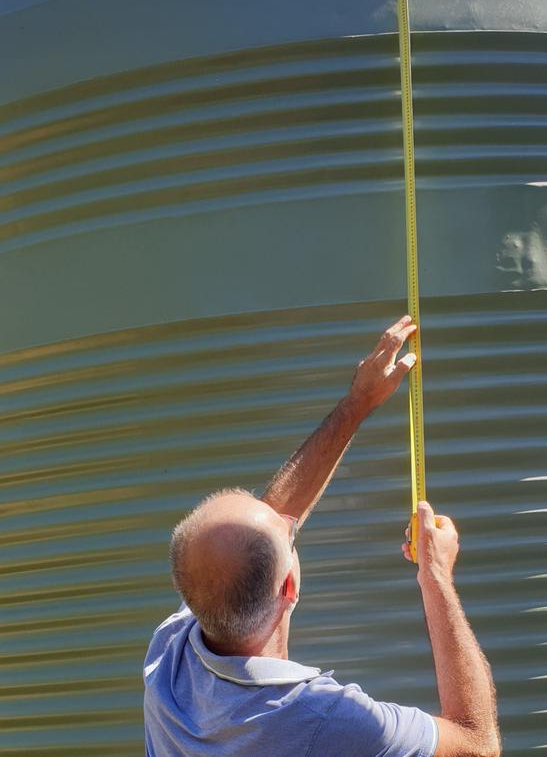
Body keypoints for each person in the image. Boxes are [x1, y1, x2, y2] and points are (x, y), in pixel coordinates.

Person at [143, 315, 500, 757]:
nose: (285, 517)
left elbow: (272, 522)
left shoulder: (168, 665)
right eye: (287, 537)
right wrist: (437, 579)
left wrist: (356, 404)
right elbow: (478, 744)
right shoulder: (322, 720)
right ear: (289, 585)